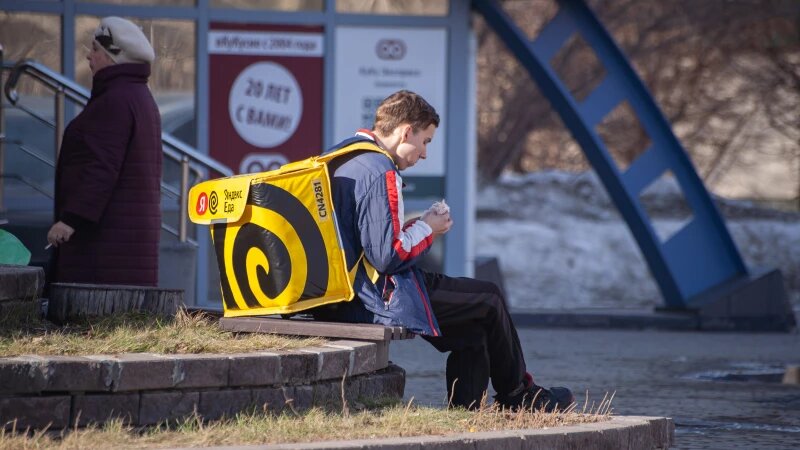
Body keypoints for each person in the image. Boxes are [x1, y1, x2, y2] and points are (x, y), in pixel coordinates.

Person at [314, 90, 574, 411]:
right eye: (425, 141)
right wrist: (430, 228)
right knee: (489, 298)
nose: (423, 154)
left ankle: (467, 413)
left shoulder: (343, 157)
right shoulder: (381, 170)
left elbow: (370, 243)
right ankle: (520, 395)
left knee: (473, 329)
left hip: (342, 295)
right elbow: (387, 256)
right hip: (375, 296)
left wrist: (421, 224)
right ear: (406, 131)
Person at [46, 17, 162, 286]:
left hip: (103, 249)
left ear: (113, 56)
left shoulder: (114, 101)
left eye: (96, 48)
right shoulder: (139, 97)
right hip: (125, 250)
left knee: (91, 326)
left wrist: (69, 221)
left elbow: (100, 168)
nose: (89, 55)